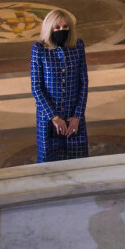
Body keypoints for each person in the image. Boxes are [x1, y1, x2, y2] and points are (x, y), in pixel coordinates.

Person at [30, 9, 89, 163]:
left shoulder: (77, 46)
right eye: (57, 27)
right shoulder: (39, 50)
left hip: (73, 115)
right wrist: (54, 117)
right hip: (49, 118)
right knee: (50, 164)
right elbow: (36, 88)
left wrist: (77, 116)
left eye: (65, 27)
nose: (61, 30)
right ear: (49, 28)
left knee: (77, 161)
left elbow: (84, 83)